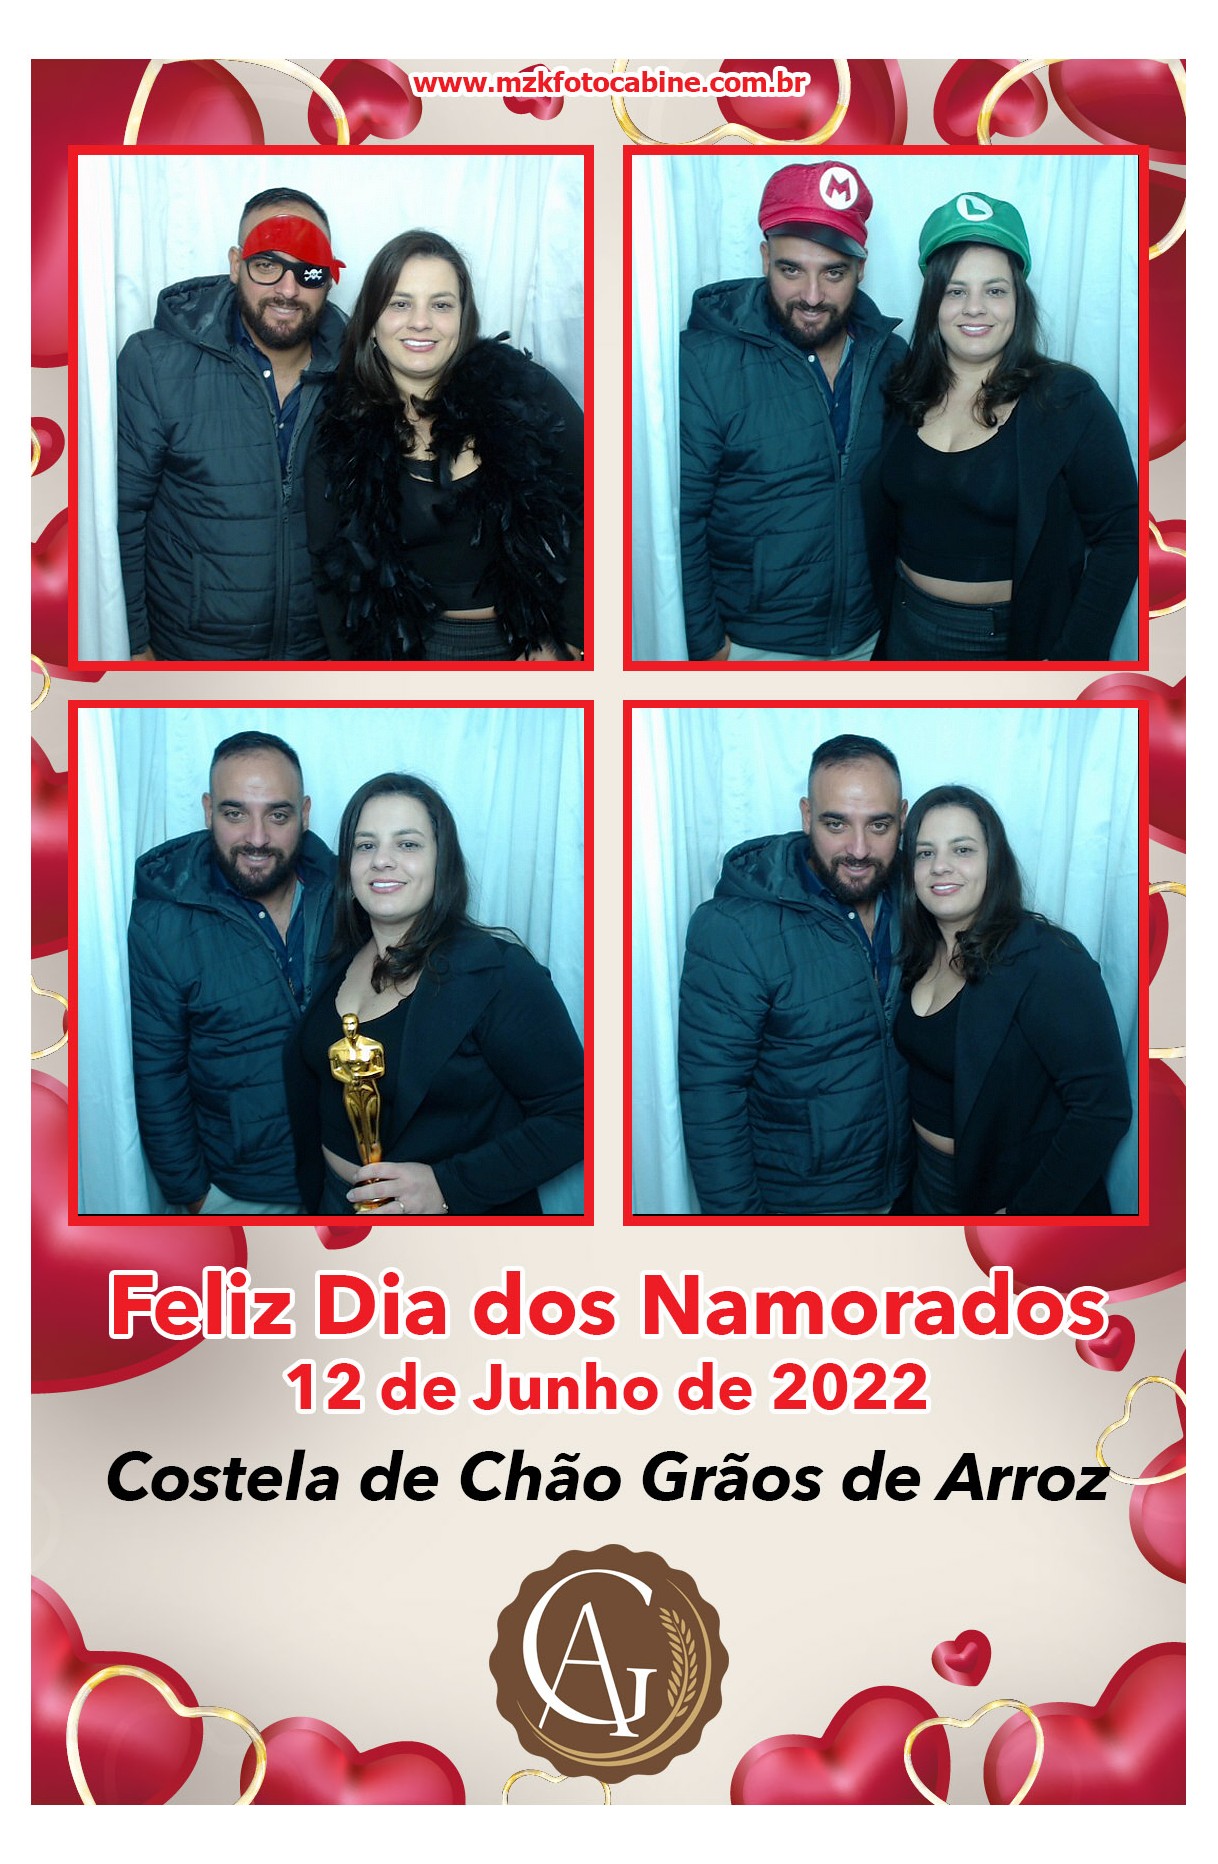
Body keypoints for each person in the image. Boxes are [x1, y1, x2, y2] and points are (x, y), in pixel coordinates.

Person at [285, 774, 585, 1215]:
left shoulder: (499, 973)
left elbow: (579, 1115)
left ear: (442, 860)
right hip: (335, 1204)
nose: (382, 860)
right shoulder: (337, 958)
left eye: (407, 844)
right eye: (365, 845)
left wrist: (447, 1187)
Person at [868, 192, 1138, 661]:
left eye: (994, 290)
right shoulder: (902, 388)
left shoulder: (1067, 399)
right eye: (956, 291)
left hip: (1004, 642)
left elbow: (1121, 535)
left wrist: (1072, 658)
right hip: (903, 627)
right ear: (933, 301)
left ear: (1018, 299)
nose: (975, 307)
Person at [305, 229, 583, 661]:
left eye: (441, 304)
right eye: (400, 303)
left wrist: (570, 641)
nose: (421, 321)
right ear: (372, 322)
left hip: (531, 646)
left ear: (463, 319)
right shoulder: (337, 430)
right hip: (405, 657)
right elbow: (331, 582)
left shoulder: (529, 394)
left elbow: (600, 504)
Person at [679, 161, 907, 662]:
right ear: (765, 257)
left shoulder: (891, 357)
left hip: (868, 636)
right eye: (791, 269)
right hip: (753, 646)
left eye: (834, 272)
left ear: (861, 268)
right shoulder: (702, 360)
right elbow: (682, 515)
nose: (812, 296)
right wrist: (706, 645)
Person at [677, 736, 910, 1215]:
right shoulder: (735, 928)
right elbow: (712, 1098)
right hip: (801, 1208)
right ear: (807, 816)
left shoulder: (918, 897)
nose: (859, 849)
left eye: (879, 825)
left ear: (903, 818)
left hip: (907, 1187)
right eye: (835, 823)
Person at [116, 186, 347, 661]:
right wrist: (135, 647)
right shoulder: (155, 364)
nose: (288, 290)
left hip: (319, 655)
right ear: (236, 265)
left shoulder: (362, 374)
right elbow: (122, 515)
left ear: (328, 278)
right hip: (191, 654)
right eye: (267, 264)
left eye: (308, 270)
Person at [895, 785, 1131, 1215]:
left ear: (994, 860)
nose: (940, 866)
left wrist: (1024, 1216)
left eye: (962, 849)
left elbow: (1103, 1110)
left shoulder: (1049, 960)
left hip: (1007, 1195)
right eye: (925, 853)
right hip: (925, 1182)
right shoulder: (916, 950)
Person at [127, 732, 337, 1214]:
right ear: (208, 811)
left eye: (278, 815)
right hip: (242, 1191)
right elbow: (158, 1072)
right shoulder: (162, 922)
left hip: (351, 1175)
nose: (257, 838)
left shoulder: (347, 892)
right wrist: (195, 1195)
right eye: (235, 813)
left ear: (305, 813)